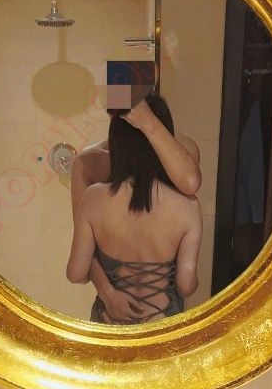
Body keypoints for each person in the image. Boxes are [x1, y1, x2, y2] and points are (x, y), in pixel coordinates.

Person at [67, 94, 202, 324]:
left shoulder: (93, 198)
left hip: (108, 321)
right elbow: (186, 285)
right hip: (162, 322)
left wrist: (110, 292)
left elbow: (76, 272)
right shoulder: (188, 206)